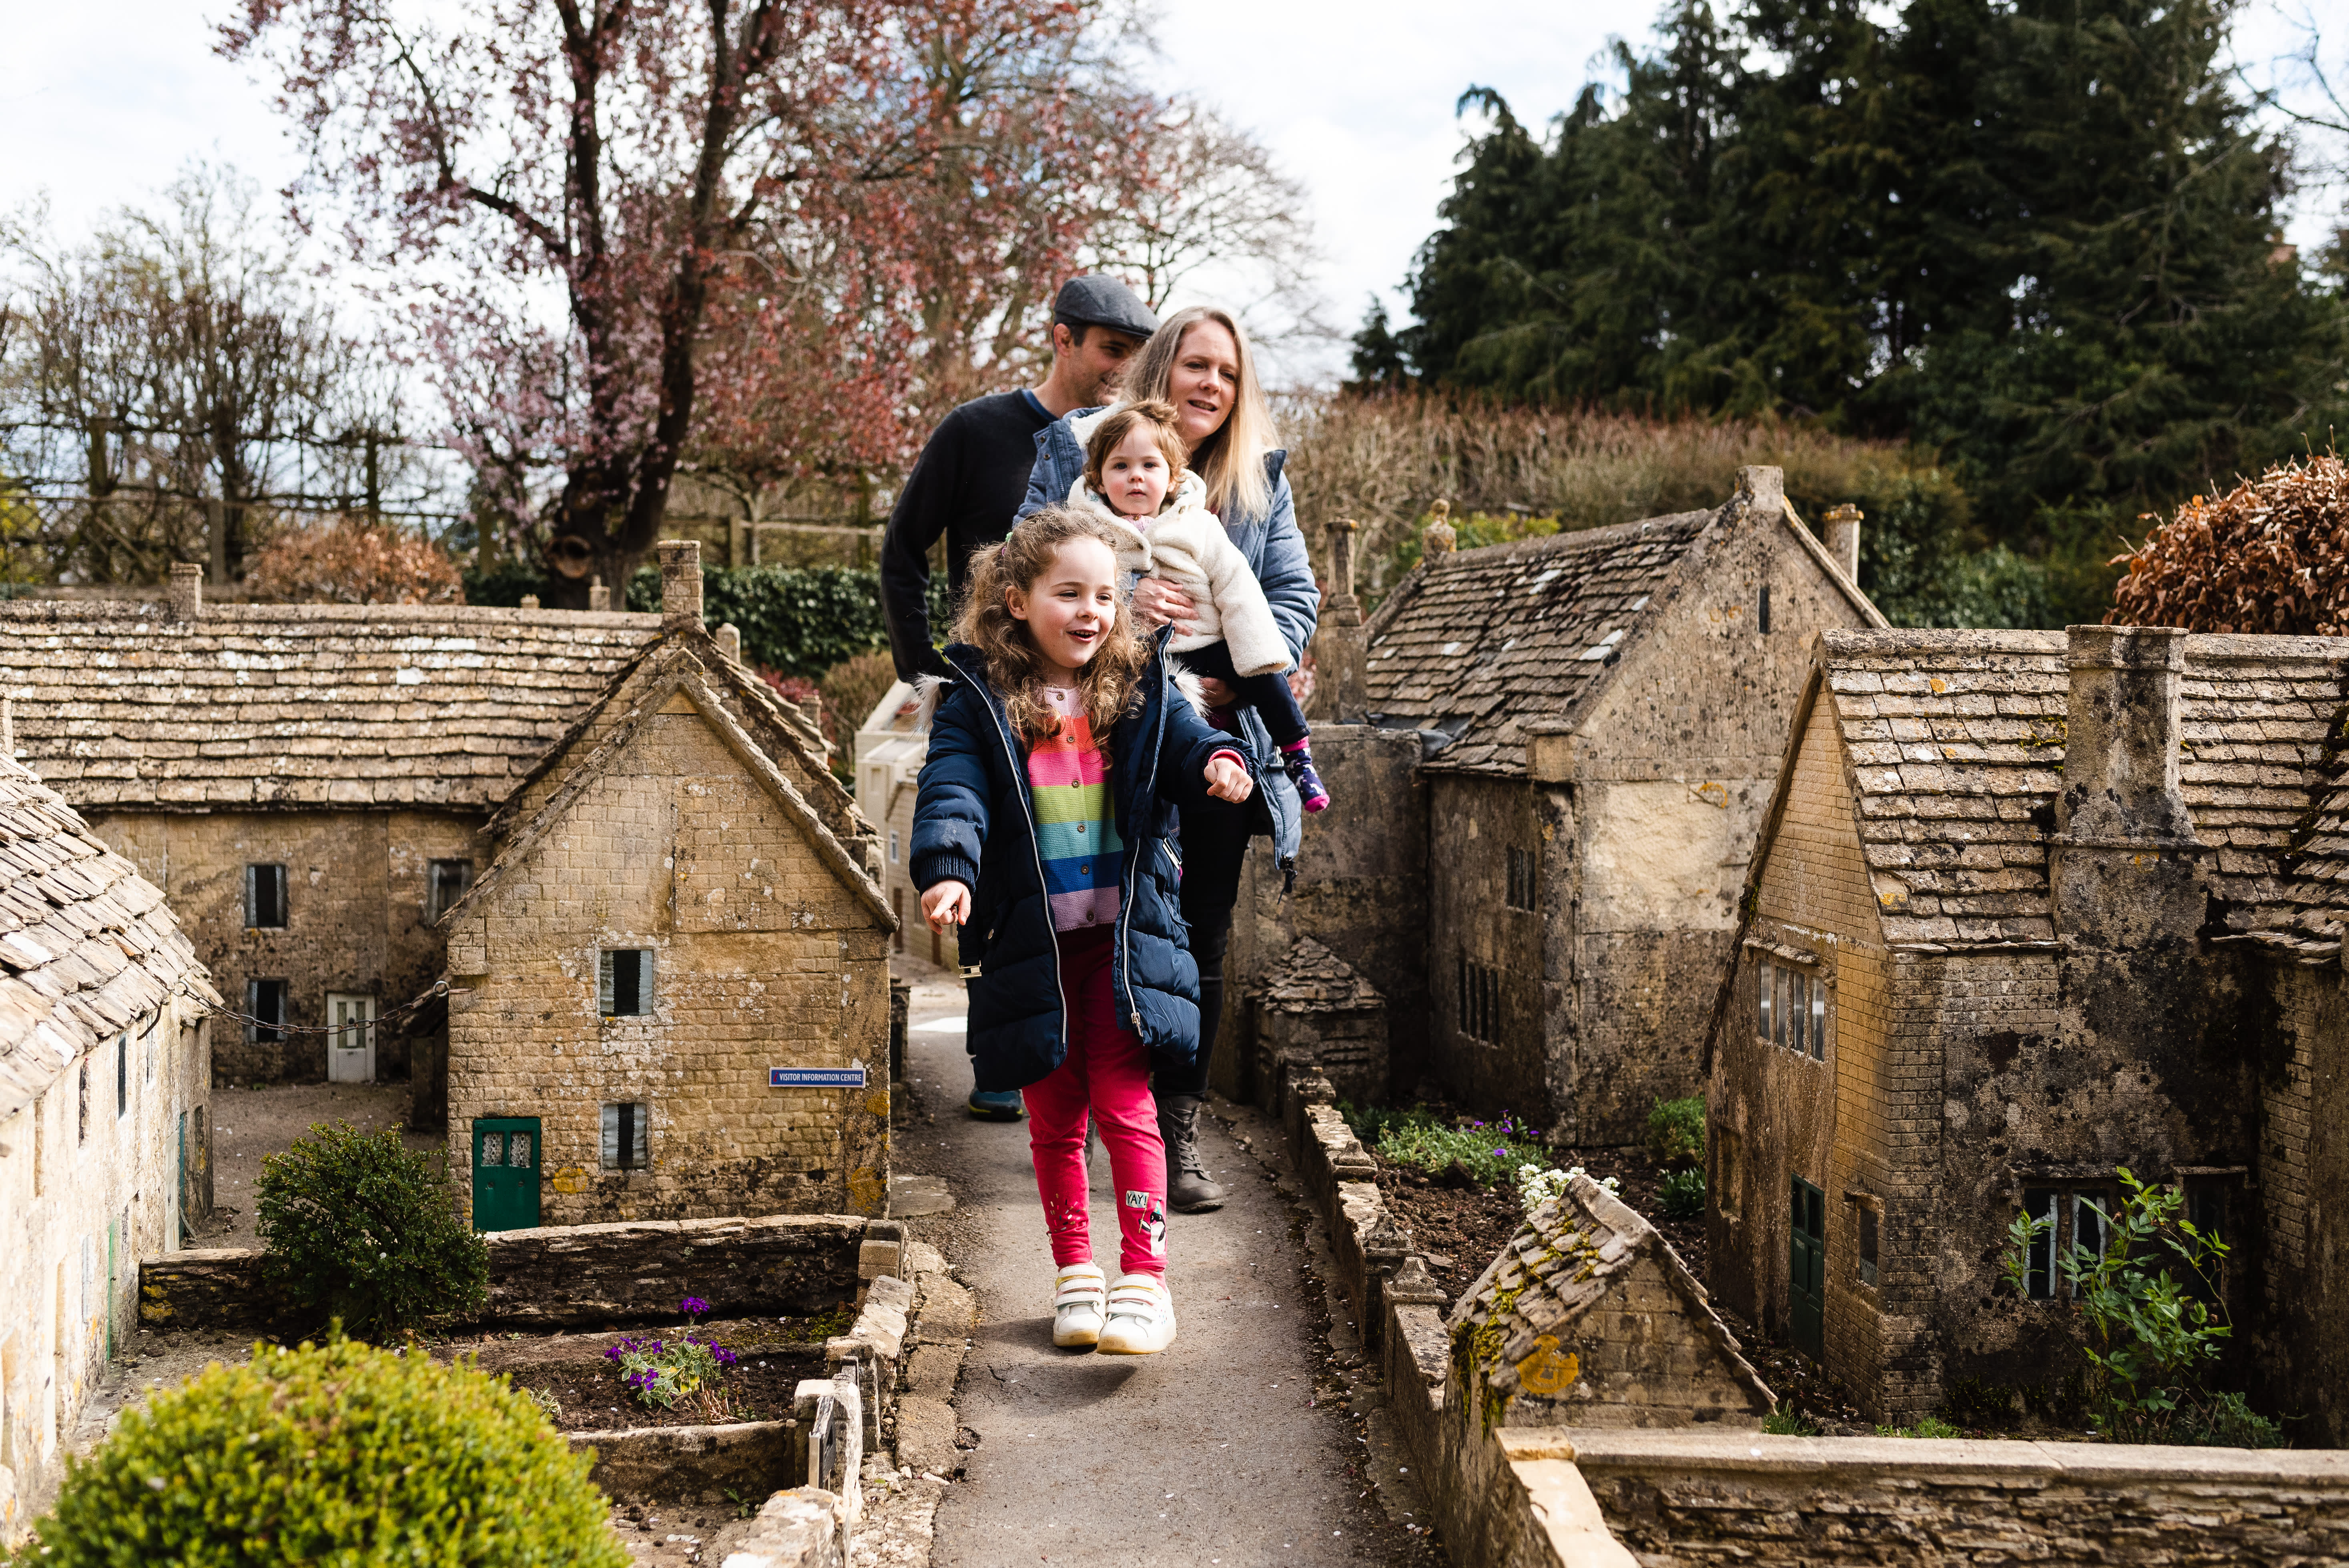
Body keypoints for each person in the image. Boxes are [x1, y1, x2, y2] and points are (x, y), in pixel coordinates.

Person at [910, 507, 1255, 1356]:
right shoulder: (978, 706)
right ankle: (1075, 1275)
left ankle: (1145, 1279)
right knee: (1053, 1113)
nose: (1092, 611)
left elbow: (1189, 739)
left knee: (1125, 1103)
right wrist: (949, 868)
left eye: (1106, 594)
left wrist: (1219, 759)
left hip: (1121, 944)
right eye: (1070, 592)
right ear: (1018, 600)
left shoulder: (1136, 693)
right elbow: (954, 790)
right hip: (1032, 946)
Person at [1019, 305, 1316, 1213]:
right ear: (1161, 370)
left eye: (1227, 372)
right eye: (1194, 365)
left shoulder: (1258, 480)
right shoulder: (1088, 450)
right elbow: (1019, 565)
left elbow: (1290, 598)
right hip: (1106, 745)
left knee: (1202, 939)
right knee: (1105, 925)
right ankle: (1109, 1113)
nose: (1210, 385)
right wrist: (1111, 603)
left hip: (1224, 749)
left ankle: (1177, 1138)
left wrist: (1231, 666)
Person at [880, 275, 1158, 1120]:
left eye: (1133, 356)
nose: (1122, 369)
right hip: (991, 689)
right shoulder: (978, 431)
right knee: (994, 860)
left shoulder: (1123, 444)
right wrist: (923, 665)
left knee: (1089, 855)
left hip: (1096, 690)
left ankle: (1097, 1055)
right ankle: (1004, 1061)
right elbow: (902, 547)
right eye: (1111, 349)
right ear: (1063, 338)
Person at [1065, 398, 1329, 811]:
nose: (1135, 477)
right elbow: (1068, 580)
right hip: (1136, 657)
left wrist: (1254, 653)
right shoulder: (1086, 530)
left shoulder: (1198, 524)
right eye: (1120, 467)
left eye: (1149, 467)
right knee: (1152, 718)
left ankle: (1297, 756)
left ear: (1172, 478)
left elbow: (1235, 584)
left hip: (1205, 641)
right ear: (1098, 480)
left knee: (1266, 679)